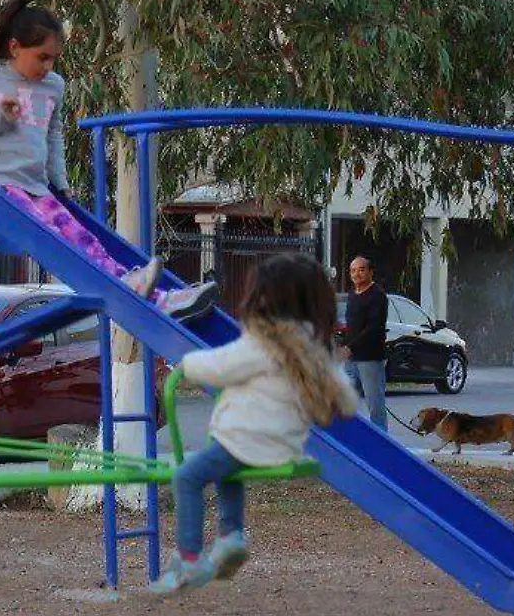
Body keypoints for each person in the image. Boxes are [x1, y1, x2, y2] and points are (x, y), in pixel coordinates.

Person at [0, 0, 214, 316]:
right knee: (58, 239)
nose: (48, 67)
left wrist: (60, 183)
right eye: (42, 57)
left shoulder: (54, 86)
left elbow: (53, 136)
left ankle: (159, 297)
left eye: (53, 60)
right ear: (14, 48)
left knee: (81, 235)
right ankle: (142, 290)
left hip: (34, 186)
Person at [150, 254, 360, 594]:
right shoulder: (312, 345)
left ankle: (188, 559)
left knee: (187, 477)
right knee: (224, 465)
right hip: (283, 447)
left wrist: (187, 363)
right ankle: (230, 535)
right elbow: (344, 394)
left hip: (246, 441)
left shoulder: (266, 343)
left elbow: (220, 366)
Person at [342, 256, 389, 429]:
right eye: (353, 270)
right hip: (350, 359)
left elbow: (373, 328)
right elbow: (351, 327)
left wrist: (350, 346)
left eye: (361, 270)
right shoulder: (352, 295)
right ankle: (349, 443)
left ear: (370, 272)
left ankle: (382, 446)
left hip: (370, 359)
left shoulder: (378, 296)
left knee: (375, 406)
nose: (357, 274)